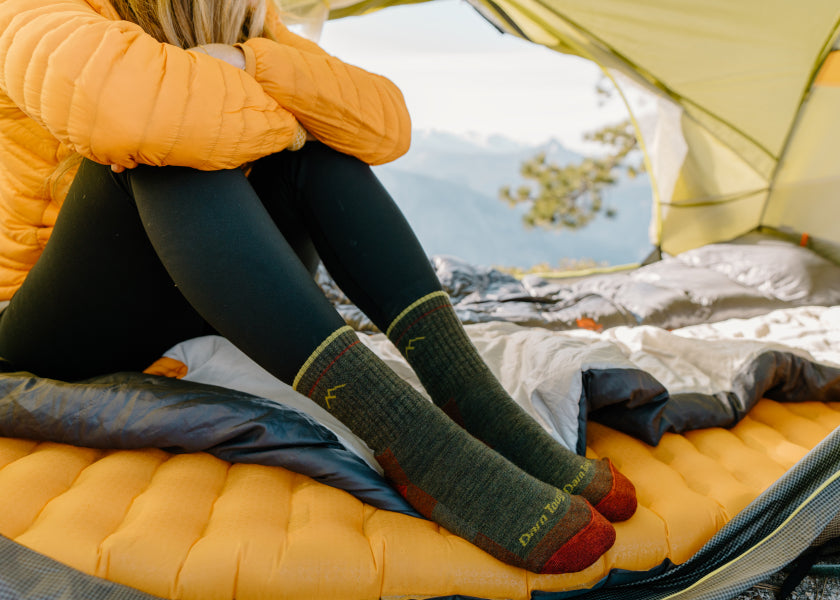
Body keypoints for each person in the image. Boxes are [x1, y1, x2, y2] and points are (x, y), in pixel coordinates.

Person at [0, 0, 636, 574]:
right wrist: (291, 117)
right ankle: (418, 445)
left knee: (320, 151)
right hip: (50, 315)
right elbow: (135, 111)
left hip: (198, 286)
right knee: (169, 150)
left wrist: (247, 60)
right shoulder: (34, 9)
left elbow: (383, 124)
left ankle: (477, 404)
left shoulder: (249, 20)